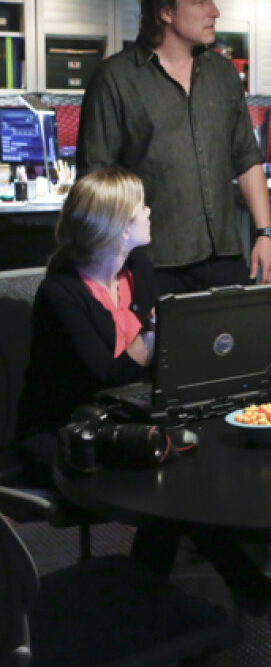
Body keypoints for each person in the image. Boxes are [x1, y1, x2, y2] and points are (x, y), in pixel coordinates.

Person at [76, 0, 271, 294]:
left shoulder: (223, 74)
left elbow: (247, 158)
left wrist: (266, 233)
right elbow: (95, 180)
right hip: (148, 261)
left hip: (223, 256)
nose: (215, 11)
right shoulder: (115, 78)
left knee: (247, 329)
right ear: (166, 12)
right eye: (201, 2)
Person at [16, 168, 156, 479]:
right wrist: (152, 332)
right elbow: (107, 381)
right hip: (67, 434)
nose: (149, 212)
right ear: (122, 228)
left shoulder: (139, 269)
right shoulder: (59, 292)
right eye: (142, 207)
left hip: (122, 421)